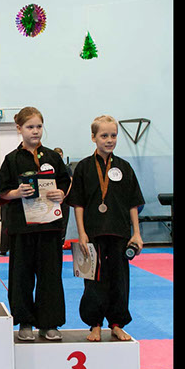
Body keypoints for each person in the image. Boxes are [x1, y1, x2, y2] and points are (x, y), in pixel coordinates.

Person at [0, 107, 71, 341]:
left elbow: (66, 182)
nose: (35, 131)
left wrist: (61, 193)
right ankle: (25, 322)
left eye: (39, 126)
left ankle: (49, 323)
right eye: (30, 127)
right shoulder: (11, 159)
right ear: (19, 128)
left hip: (49, 226)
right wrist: (16, 193)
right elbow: (1, 192)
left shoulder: (53, 158)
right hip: (22, 228)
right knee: (22, 277)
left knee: (50, 276)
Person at [66, 115, 144, 342]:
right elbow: (78, 204)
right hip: (93, 233)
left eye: (113, 135)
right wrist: (81, 233)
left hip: (120, 233)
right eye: (104, 136)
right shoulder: (83, 167)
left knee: (120, 280)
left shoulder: (124, 167)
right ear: (93, 137)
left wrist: (136, 233)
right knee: (94, 280)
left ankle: (117, 324)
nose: (109, 140)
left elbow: (133, 204)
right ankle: (95, 324)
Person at [52, 147, 73, 243]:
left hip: (64, 199)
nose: (59, 157)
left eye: (60, 155)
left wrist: (64, 195)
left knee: (64, 222)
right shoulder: (49, 168)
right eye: (57, 156)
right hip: (52, 200)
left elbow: (70, 182)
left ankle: (62, 242)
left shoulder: (66, 168)